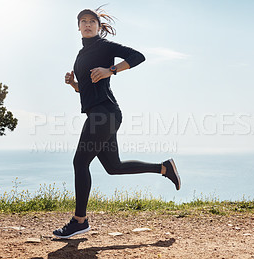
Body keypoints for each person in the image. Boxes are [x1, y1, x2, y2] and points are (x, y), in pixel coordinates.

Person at [53, 7, 181, 239]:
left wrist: (110, 70)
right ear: (78, 26)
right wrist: (74, 85)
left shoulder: (104, 46)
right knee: (114, 167)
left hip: (104, 114)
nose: (88, 24)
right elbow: (89, 88)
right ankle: (164, 168)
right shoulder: (81, 55)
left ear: (99, 27)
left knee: (80, 163)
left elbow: (138, 57)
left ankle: (79, 221)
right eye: (84, 21)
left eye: (93, 21)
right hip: (102, 114)